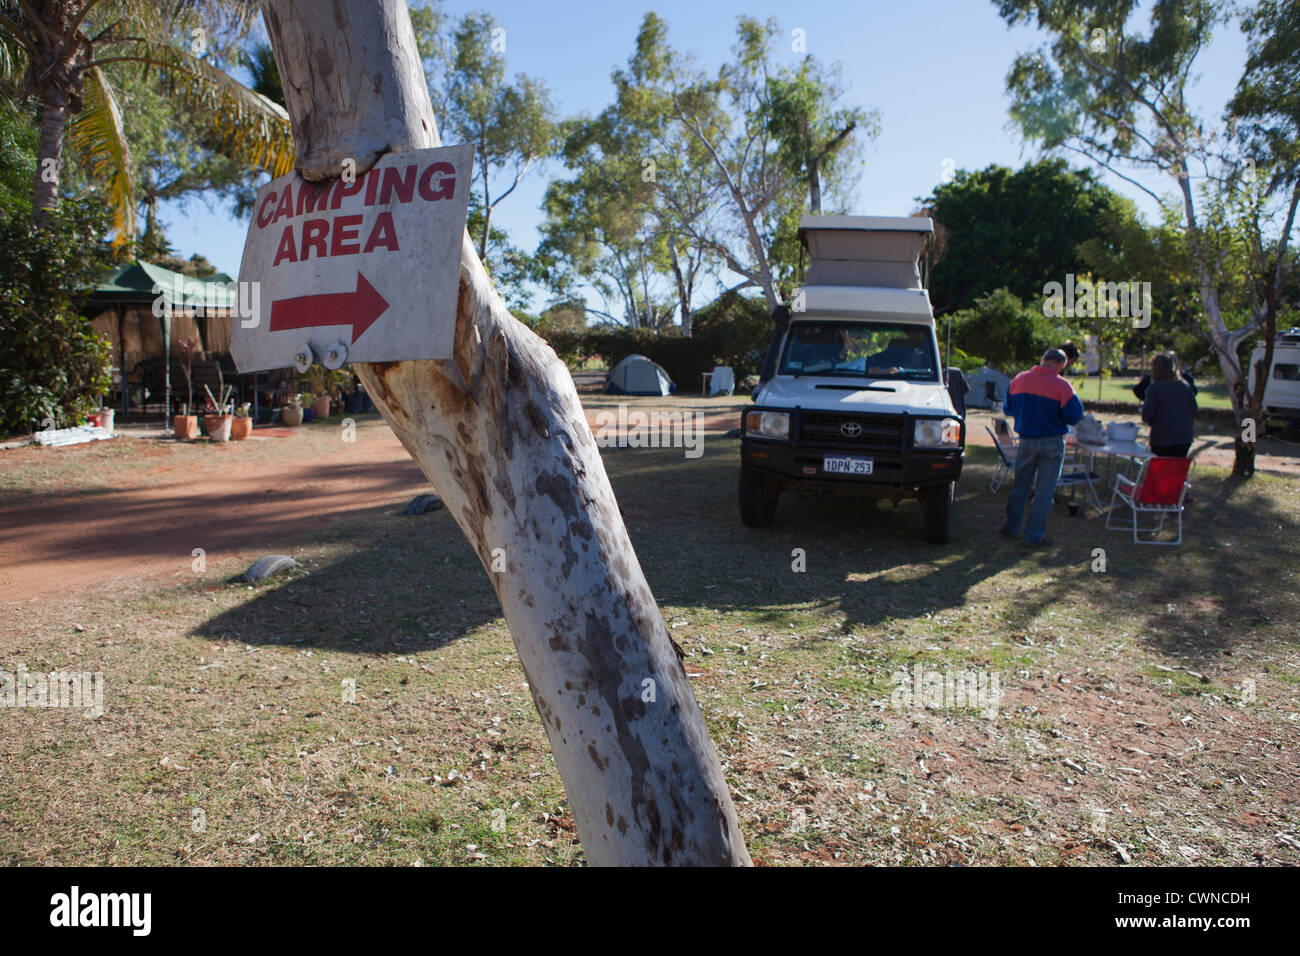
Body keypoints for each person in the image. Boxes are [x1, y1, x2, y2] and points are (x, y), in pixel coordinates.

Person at [999, 348, 1084, 546]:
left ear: (1042, 359)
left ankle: (1011, 527)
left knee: (1020, 486)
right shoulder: (1062, 385)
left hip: (1026, 440)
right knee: (1044, 491)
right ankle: (1034, 535)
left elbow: (1008, 408)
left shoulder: (1019, 379)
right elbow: (1074, 415)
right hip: (1052, 441)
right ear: (1061, 365)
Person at [1141, 352, 1197, 457]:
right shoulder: (1185, 386)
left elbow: (1147, 415)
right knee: (1175, 469)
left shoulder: (1155, 388)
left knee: (1161, 470)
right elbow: (1194, 410)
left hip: (1162, 439)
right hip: (1184, 438)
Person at [1133, 351, 1197, 402]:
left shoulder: (1185, 377)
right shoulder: (1152, 379)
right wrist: (1148, 400)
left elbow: (1193, 392)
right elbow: (1137, 389)